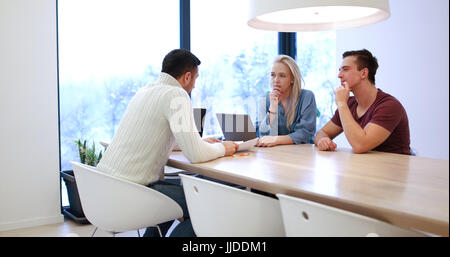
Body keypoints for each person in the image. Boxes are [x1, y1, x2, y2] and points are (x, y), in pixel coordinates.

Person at [96, 49, 238, 237]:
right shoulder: (176, 96)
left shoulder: (144, 91)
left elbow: (157, 136)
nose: (194, 86)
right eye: (195, 79)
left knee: (176, 198)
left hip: (104, 189)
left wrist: (198, 141)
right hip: (131, 194)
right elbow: (195, 155)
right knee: (205, 205)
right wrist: (223, 147)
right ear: (187, 77)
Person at [314, 49, 411, 155]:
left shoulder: (389, 106)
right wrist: (322, 140)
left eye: (345, 69)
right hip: (366, 167)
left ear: (364, 73)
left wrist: (341, 104)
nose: (339, 75)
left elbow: (360, 146)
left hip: (393, 168)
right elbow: (322, 133)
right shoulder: (350, 103)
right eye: (339, 70)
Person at [256, 55, 317, 146]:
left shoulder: (306, 97)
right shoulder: (265, 99)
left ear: (292, 79)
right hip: (273, 154)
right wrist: (273, 108)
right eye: (273, 75)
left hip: (302, 154)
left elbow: (305, 133)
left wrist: (277, 140)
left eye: (282, 76)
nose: (276, 80)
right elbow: (262, 135)